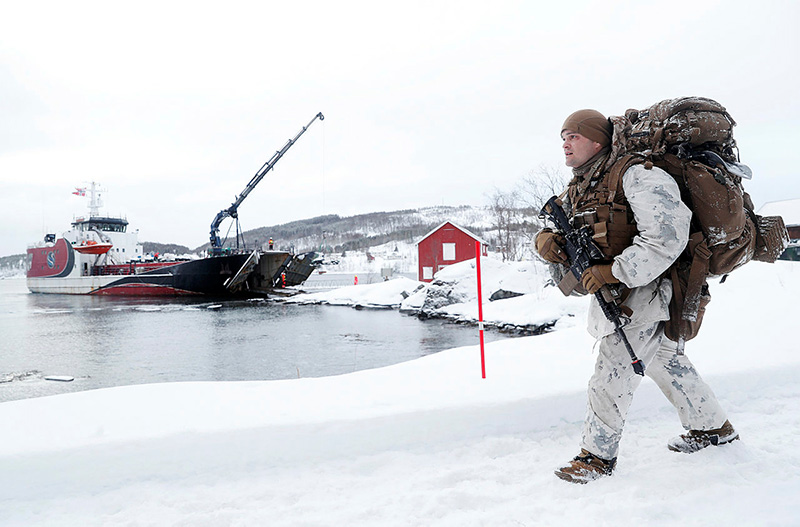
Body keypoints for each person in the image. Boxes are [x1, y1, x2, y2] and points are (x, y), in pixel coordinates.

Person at [535, 109, 739, 484]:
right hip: (619, 290)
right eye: (562, 136)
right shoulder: (581, 184)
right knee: (666, 361)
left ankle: (596, 458)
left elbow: (666, 238)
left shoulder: (638, 175)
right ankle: (713, 429)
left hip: (648, 291)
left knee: (612, 373)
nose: (565, 143)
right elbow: (563, 227)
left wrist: (613, 271)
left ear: (597, 141)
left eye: (573, 136)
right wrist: (546, 241)